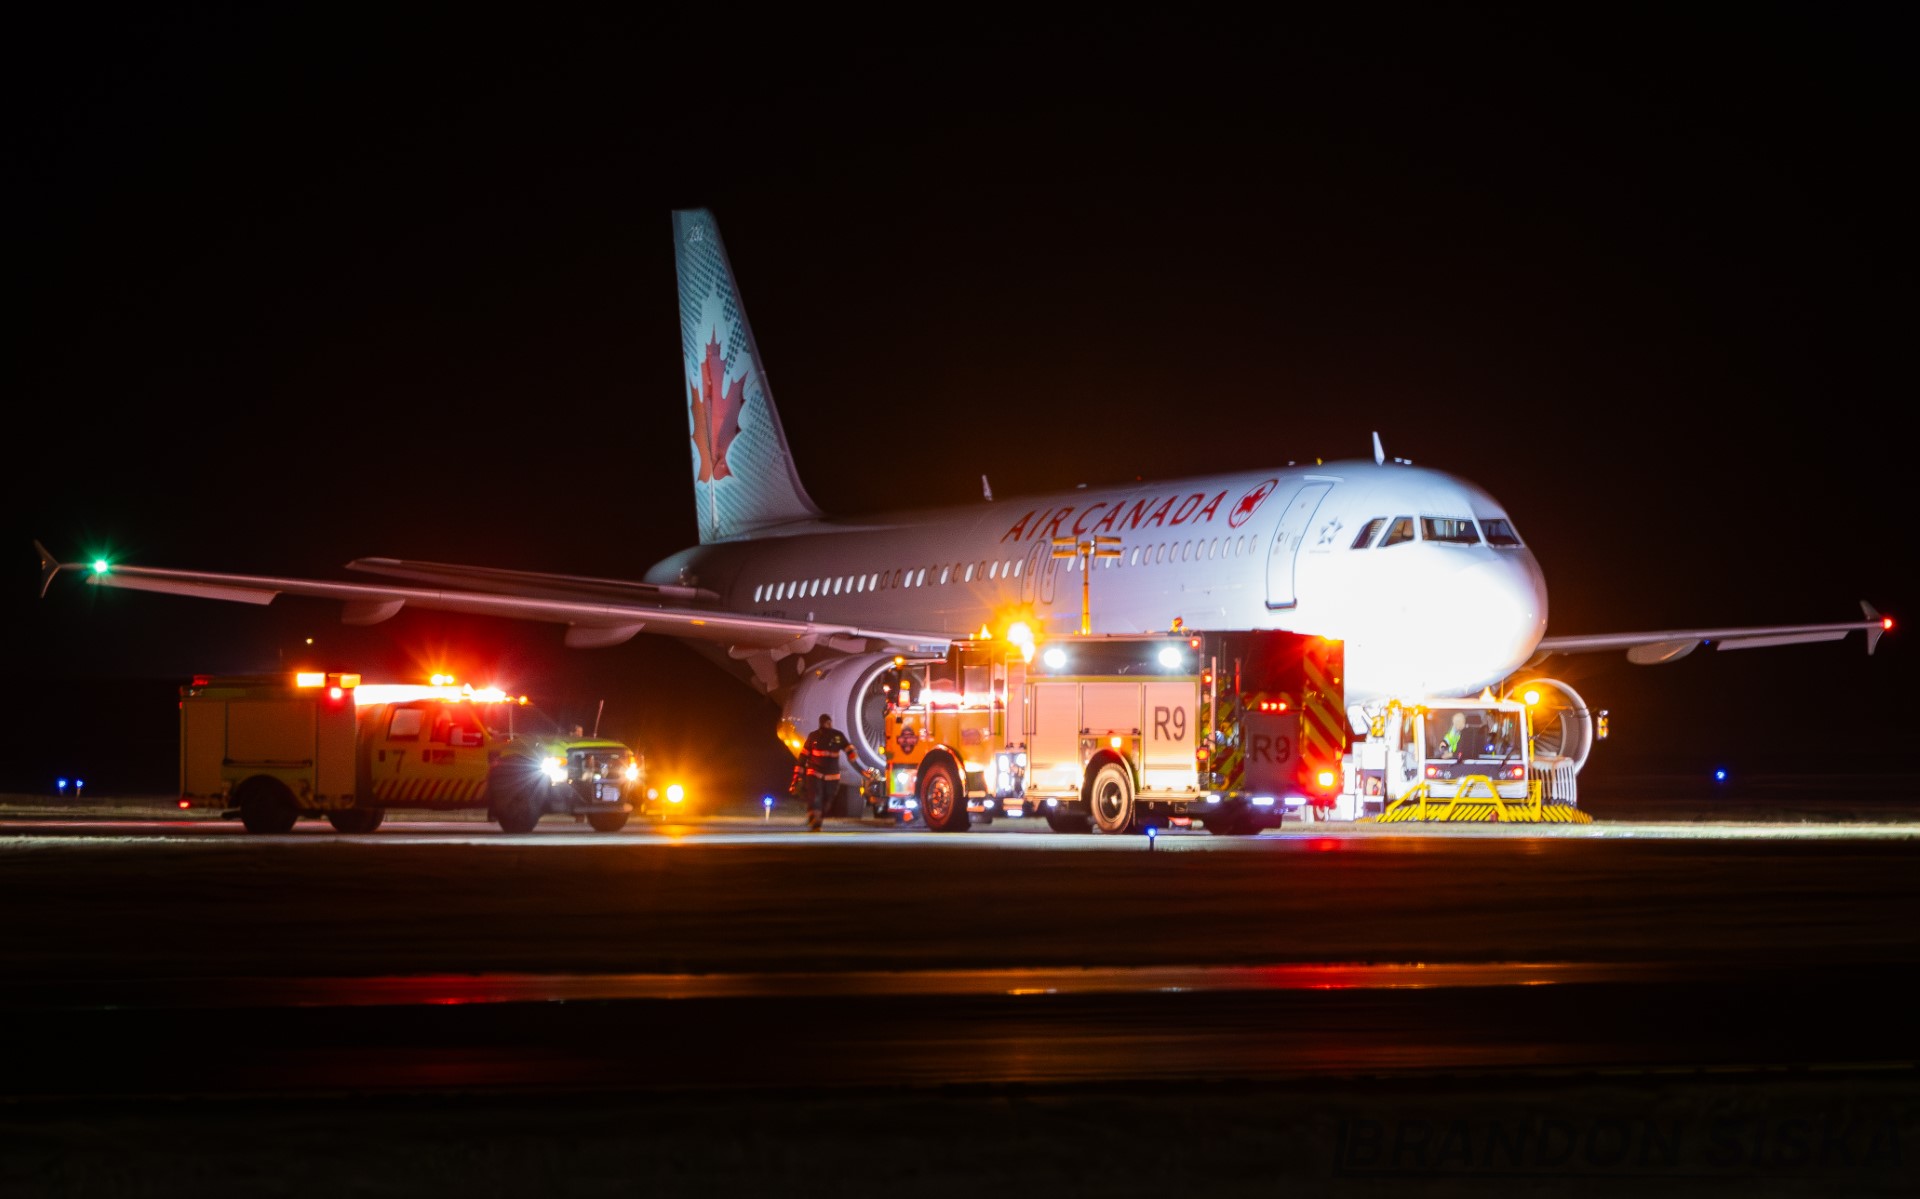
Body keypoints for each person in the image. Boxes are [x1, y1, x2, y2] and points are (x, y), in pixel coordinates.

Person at [800, 714, 859, 831]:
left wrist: (852, 755)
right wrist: (799, 772)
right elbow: (804, 755)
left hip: (832, 775)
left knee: (828, 799)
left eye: (830, 722)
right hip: (815, 773)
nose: (829, 724)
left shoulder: (837, 736)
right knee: (816, 797)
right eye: (827, 722)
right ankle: (815, 821)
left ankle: (817, 818)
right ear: (821, 723)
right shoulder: (813, 736)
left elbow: (847, 747)